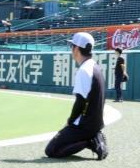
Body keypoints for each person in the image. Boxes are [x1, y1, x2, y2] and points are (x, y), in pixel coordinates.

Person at [44, 32, 108, 160]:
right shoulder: (95, 67)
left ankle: (90, 141)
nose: (71, 50)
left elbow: (80, 101)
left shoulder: (84, 70)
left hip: (84, 125)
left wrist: (70, 121)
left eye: (72, 46)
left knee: (51, 150)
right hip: (95, 122)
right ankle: (93, 135)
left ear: (77, 49)